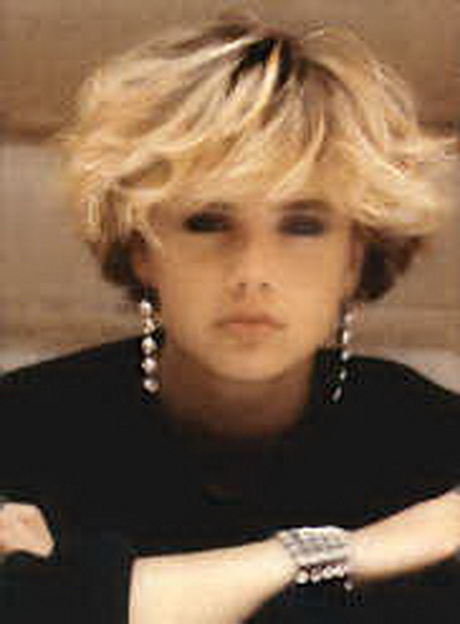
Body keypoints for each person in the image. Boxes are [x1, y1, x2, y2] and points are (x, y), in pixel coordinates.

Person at [1, 13, 459, 624]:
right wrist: (348, 554)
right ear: (141, 248)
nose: (252, 272)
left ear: (354, 257)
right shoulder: (21, 434)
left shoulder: (436, 449)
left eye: (302, 226)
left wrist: (94, 591)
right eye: (208, 222)